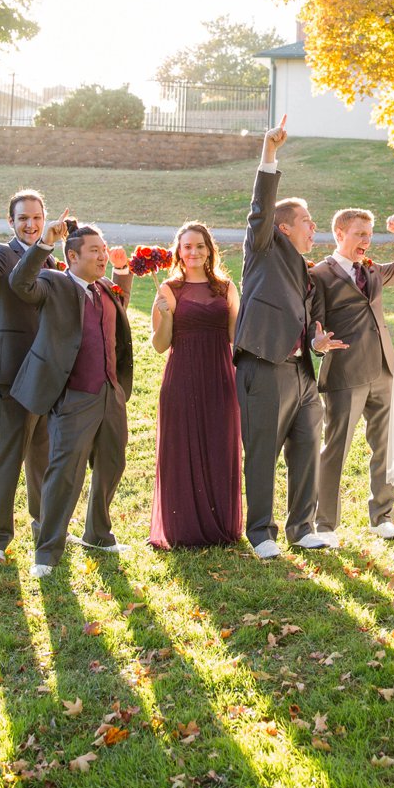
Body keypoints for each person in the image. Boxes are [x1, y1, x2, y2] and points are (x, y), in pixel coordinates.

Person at [234, 118, 346, 559]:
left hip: (302, 374)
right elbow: (260, 208)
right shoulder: (262, 249)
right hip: (263, 368)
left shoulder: (305, 270)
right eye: (306, 221)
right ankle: (261, 533)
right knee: (261, 454)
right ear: (283, 228)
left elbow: (306, 324)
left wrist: (316, 346)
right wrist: (269, 156)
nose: (313, 226)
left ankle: (302, 527)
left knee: (306, 451)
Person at [8, 226, 139, 576]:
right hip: (74, 395)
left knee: (112, 464)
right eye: (94, 250)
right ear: (73, 257)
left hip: (111, 394)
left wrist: (123, 273)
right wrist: (44, 244)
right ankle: (47, 551)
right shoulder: (54, 283)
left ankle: (97, 533)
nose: (102, 255)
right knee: (65, 473)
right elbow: (20, 283)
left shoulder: (104, 289)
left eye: (104, 249)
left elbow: (118, 313)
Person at [0, 188, 70, 565]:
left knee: (44, 455)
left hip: (49, 376)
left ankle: (44, 527)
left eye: (37, 218)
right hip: (10, 372)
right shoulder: (0, 254)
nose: (31, 224)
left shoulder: (54, 264)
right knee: (6, 455)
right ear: (11, 222)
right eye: (23, 218)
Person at [310, 208, 394, 543]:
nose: (367, 240)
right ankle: (325, 523)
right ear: (340, 233)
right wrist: (317, 344)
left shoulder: (371, 269)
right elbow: (313, 325)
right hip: (346, 372)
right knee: (336, 447)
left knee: (385, 446)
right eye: (360, 233)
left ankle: (382, 516)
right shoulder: (320, 275)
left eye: (370, 234)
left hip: (385, 368)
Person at [148, 221, 244, 549]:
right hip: (181, 377)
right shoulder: (168, 290)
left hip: (219, 377)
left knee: (220, 445)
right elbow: (160, 345)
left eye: (200, 246)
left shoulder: (226, 287)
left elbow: (235, 336)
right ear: (178, 250)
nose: (193, 252)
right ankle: (183, 527)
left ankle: (221, 525)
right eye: (187, 246)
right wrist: (167, 316)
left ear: (209, 250)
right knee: (181, 448)